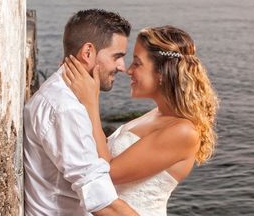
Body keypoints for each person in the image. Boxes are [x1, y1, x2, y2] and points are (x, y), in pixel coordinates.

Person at [62, 25, 219, 216]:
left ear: (160, 73)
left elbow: (105, 173)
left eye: (137, 63)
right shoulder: (157, 114)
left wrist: (90, 103)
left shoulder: (183, 132)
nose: (128, 70)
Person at [23, 9, 138, 216]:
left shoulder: (67, 97)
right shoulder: (65, 108)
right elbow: (104, 203)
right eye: (117, 56)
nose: (122, 67)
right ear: (87, 53)